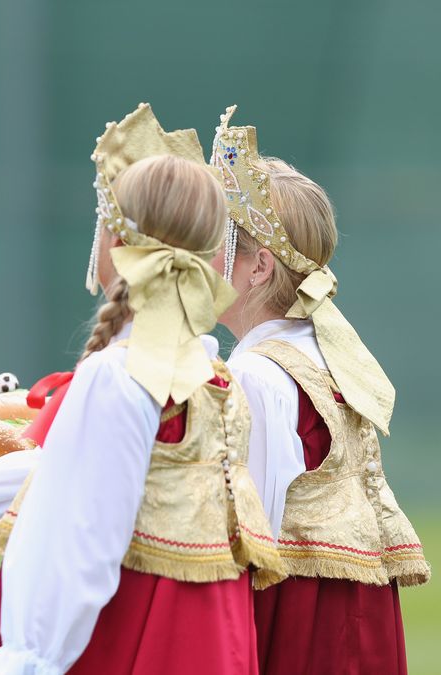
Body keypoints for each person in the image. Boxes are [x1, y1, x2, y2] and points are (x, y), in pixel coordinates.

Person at [0, 104, 287, 674]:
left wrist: (24, 662)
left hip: (132, 636)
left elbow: (79, 547)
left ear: (114, 242)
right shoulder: (214, 374)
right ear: (212, 255)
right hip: (207, 640)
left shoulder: (121, 374)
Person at [209, 106, 429, 674]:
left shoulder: (258, 373)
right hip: (352, 612)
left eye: (213, 244)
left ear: (257, 269)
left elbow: (250, 534)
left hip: (300, 621)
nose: (196, 260)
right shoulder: (323, 348)